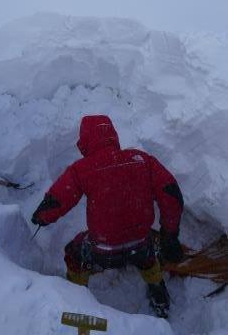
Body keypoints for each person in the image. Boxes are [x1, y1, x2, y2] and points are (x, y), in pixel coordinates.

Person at [31, 115, 184, 318]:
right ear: (113, 135)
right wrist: (169, 234)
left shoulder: (81, 170)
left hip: (102, 249)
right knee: (148, 253)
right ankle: (158, 290)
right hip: (140, 243)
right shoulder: (142, 160)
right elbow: (171, 193)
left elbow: (59, 198)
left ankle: (75, 297)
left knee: (74, 253)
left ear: (84, 142)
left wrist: (43, 216)